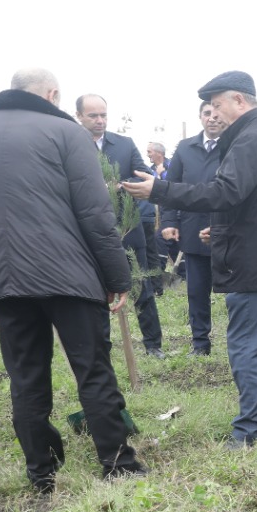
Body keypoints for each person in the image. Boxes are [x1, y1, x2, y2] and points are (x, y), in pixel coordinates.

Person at [0, 67, 143, 489]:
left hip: (4, 274)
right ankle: (118, 463)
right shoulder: (67, 133)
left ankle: (41, 471)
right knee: (92, 368)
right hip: (69, 273)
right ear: (52, 94)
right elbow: (95, 213)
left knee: (25, 374)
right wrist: (117, 276)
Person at [122, 70, 257, 446]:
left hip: (255, 263)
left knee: (247, 346)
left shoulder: (251, 139)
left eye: (217, 104)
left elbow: (225, 192)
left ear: (239, 100)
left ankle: (250, 432)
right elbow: (254, 201)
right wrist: (222, 229)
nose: (213, 113)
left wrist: (160, 190)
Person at [77, 94, 165, 358]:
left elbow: (142, 176)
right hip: (87, 232)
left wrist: (119, 185)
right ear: (79, 116)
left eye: (103, 115)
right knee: (94, 290)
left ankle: (153, 344)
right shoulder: (71, 144)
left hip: (128, 228)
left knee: (140, 286)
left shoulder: (124, 145)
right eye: (93, 115)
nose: (100, 120)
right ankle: (98, 345)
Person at [161, 104, 226, 355]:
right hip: (193, 230)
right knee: (197, 291)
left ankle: (242, 341)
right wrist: (169, 221)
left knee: (235, 292)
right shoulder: (185, 148)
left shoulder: (234, 145)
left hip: (227, 230)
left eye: (216, 114)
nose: (212, 118)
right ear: (200, 117)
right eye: (207, 114)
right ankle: (200, 343)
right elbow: (171, 186)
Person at [142, 141, 169, 287]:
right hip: (161, 212)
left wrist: (162, 174)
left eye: (149, 151)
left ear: (159, 153)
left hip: (177, 211)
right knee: (164, 241)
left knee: (161, 240)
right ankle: (162, 276)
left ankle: (159, 278)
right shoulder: (150, 170)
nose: (148, 155)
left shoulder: (171, 165)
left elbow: (175, 184)